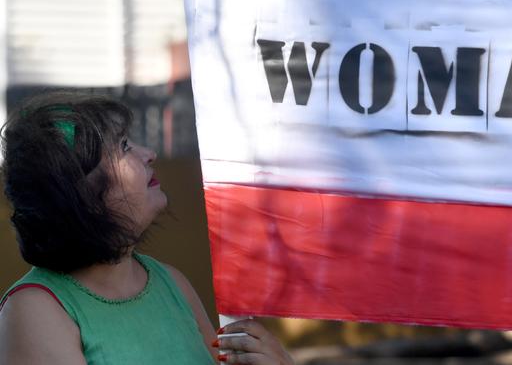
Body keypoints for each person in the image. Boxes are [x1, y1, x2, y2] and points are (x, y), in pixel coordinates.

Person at [0, 92, 294, 365]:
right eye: (124, 146)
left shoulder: (171, 282)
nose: (149, 153)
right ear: (81, 195)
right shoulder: (33, 310)